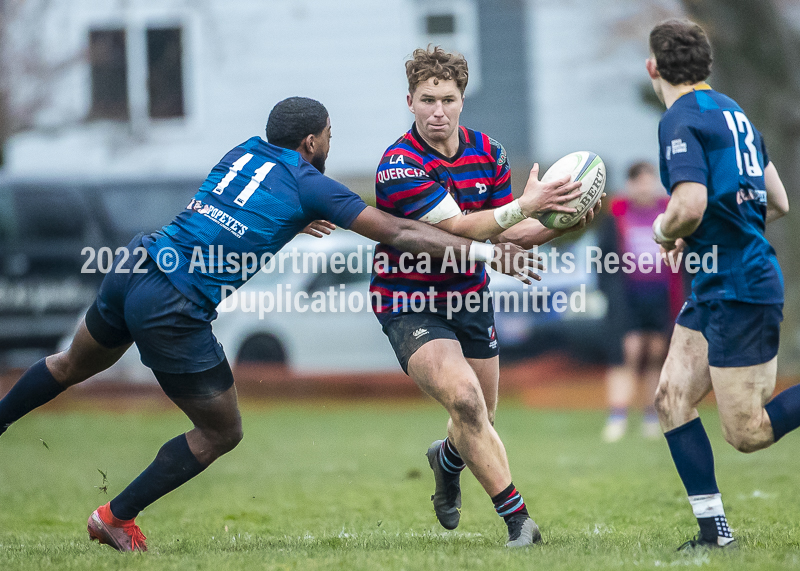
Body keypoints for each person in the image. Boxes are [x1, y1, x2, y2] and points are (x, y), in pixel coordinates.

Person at [0, 96, 554, 552]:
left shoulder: (242, 152)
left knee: (69, 364)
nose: (331, 145)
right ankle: (115, 517)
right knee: (222, 431)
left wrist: (300, 214)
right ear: (312, 142)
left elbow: (249, 206)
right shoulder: (308, 183)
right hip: (174, 303)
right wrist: (485, 254)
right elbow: (400, 233)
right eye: (330, 136)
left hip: (136, 266)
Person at [370, 46, 602, 547]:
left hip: (468, 296)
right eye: (427, 99)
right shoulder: (398, 165)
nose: (438, 110)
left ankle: (446, 459)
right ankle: (520, 522)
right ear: (409, 101)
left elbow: (503, 236)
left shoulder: (489, 153)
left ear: (461, 101)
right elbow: (460, 227)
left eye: (448, 99)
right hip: (409, 299)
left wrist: (561, 222)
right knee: (466, 401)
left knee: (480, 418)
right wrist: (524, 206)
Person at [647, 20, 794, 550]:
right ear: (706, 67)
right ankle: (715, 533)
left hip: (740, 287)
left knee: (747, 433)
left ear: (653, 69)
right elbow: (776, 201)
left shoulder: (678, 120)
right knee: (670, 399)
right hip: (717, 282)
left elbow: (688, 204)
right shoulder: (734, 112)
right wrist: (713, 235)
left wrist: (666, 231)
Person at [599, 161, 682, 442]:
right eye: (639, 182)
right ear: (630, 185)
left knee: (656, 353)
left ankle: (651, 415)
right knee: (628, 352)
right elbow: (604, 258)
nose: (645, 187)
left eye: (650, 181)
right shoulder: (617, 215)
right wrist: (609, 293)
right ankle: (617, 417)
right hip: (628, 296)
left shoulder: (668, 212)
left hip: (661, 296)